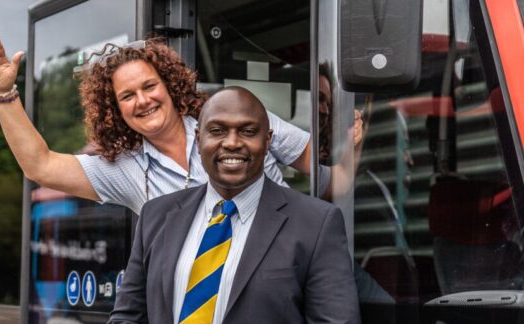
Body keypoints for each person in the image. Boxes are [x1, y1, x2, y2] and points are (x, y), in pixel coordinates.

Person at [0, 27, 358, 215]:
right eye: (127, 96)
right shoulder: (123, 169)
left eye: (149, 86)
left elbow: (333, 183)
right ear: (115, 110)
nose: (142, 100)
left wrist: (360, 139)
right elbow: (41, 165)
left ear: (169, 86)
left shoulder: (236, 119)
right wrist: (4, 94)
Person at [108, 86, 359, 324]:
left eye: (248, 131)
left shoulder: (316, 223)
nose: (232, 143)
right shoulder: (156, 215)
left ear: (268, 140)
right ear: (198, 138)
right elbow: (128, 317)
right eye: (217, 131)